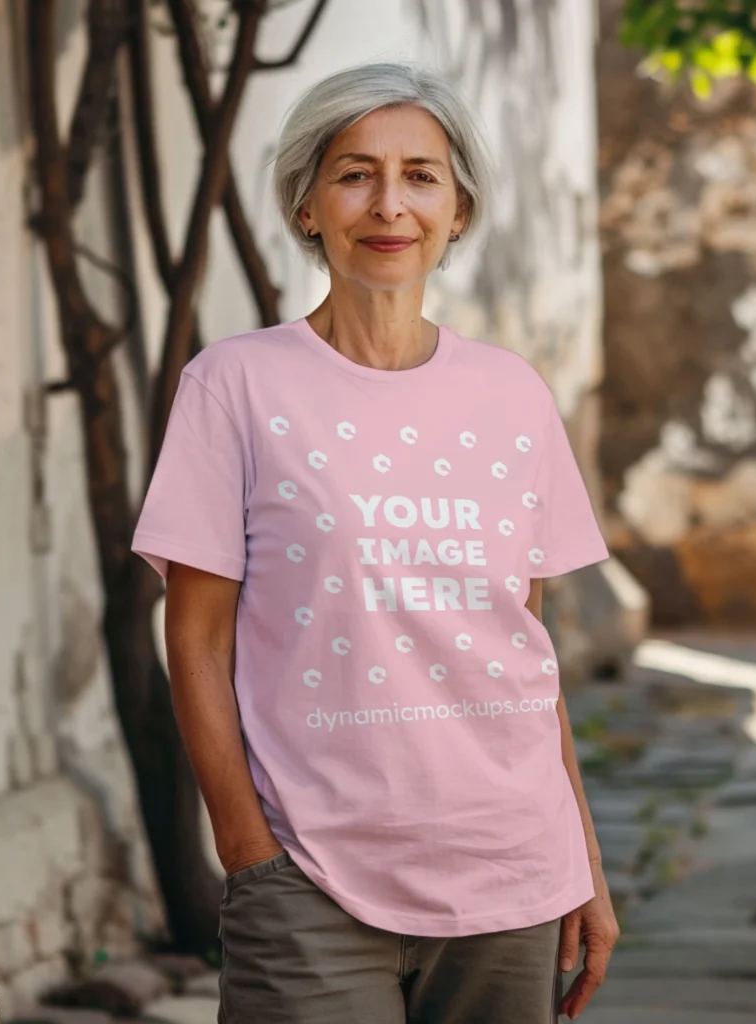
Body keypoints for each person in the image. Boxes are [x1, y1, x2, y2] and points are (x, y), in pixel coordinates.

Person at [131, 61, 618, 1024]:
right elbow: (194, 638)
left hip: (511, 869)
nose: (389, 204)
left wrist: (585, 865)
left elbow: (521, 648)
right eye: (355, 173)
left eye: (421, 176)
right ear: (308, 204)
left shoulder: (512, 393)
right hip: (309, 875)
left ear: (458, 210)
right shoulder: (234, 387)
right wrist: (247, 849)